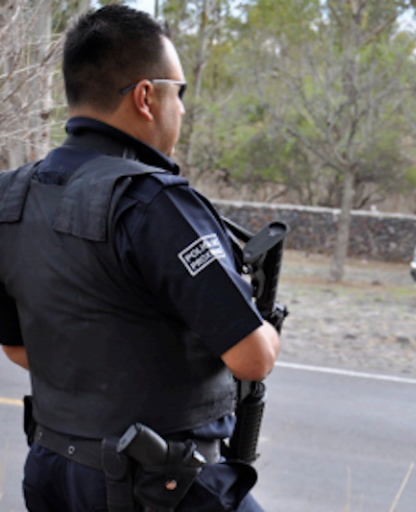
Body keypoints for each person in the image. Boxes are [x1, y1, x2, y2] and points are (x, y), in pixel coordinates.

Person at [0, 5, 280, 511]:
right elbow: (253, 358)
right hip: (160, 487)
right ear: (146, 97)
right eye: (181, 92)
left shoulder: (10, 198)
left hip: (53, 477)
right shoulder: (154, 201)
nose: (184, 108)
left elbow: (19, 349)